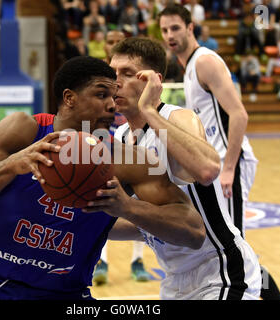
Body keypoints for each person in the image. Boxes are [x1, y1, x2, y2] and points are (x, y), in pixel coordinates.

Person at [0, 56, 205, 300]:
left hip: (69, 295)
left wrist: (128, 207)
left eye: (113, 97)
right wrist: (10, 165)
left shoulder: (127, 159)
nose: (112, 105)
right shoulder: (24, 131)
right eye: (101, 95)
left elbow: (194, 232)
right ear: (69, 98)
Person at [107, 36, 261, 300]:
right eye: (112, 73)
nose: (115, 82)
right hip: (174, 281)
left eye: (127, 73)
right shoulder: (120, 138)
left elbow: (207, 169)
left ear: (152, 81)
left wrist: (149, 110)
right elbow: (144, 226)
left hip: (221, 270)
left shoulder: (178, 118)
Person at [158, 4, 280, 300]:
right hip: (216, 167)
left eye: (175, 28)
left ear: (191, 27)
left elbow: (239, 114)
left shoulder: (205, 61)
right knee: (231, 248)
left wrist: (229, 169)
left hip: (231, 163)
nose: (169, 35)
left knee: (233, 248)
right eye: (164, 30)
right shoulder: (189, 66)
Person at [93, 29, 152, 285]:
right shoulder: (95, 80)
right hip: (103, 149)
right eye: (110, 41)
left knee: (142, 202)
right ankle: (100, 260)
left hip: (133, 148)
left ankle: (137, 260)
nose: (113, 44)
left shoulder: (133, 83)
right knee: (102, 205)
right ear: (104, 47)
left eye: (118, 42)